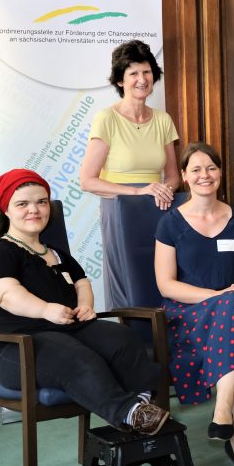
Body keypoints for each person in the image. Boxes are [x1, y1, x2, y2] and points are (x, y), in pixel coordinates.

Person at [0, 169, 168, 435]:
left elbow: (81, 282)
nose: (35, 209)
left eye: (41, 202)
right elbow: (4, 293)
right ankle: (128, 413)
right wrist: (44, 309)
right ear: (5, 209)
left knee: (121, 338)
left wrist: (86, 304)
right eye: (23, 204)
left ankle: (143, 401)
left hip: (67, 329)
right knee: (75, 356)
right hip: (16, 346)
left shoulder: (54, 252)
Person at [154, 142, 234, 466]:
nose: (204, 175)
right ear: (183, 177)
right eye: (195, 169)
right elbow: (166, 285)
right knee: (233, 314)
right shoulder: (170, 223)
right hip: (189, 313)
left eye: (210, 168)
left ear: (221, 173)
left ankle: (223, 412)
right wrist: (218, 296)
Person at [80, 39, 180, 308]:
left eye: (146, 72)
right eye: (133, 73)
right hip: (121, 211)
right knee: (129, 285)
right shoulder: (106, 118)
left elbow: (173, 176)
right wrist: (139, 190)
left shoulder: (162, 119)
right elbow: (87, 180)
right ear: (120, 81)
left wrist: (163, 189)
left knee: (161, 278)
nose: (141, 79)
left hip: (158, 208)